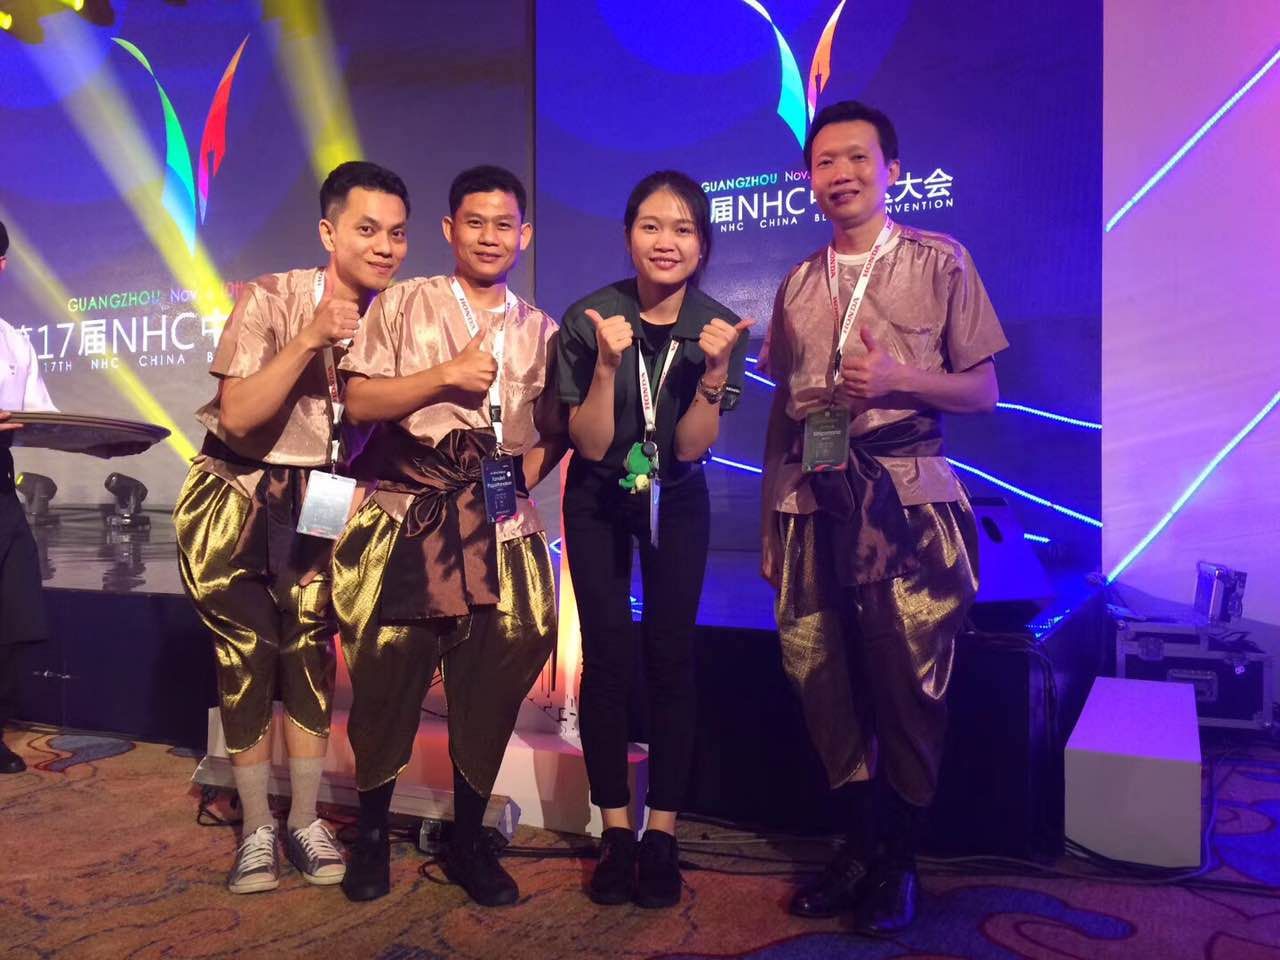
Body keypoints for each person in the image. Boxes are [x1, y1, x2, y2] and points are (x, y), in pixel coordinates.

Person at [759, 100, 1008, 934]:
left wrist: (902, 379)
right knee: (820, 677)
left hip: (906, 502)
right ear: (808, 179)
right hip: (810, 503)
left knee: (909, 683)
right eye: (825, 162)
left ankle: (900, 861)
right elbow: (782, 417)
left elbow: (983, 391)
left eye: (857, 158)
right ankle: (857, 847)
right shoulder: (797, 283)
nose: (841, 175)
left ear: (891, 169)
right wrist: (768, 523)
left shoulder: (941, 260)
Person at [173, 161, 410, 894]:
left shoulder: (398, 318)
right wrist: (310, 337)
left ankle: (304, 820)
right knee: (248, 653)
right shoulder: (272, 296)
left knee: (309, 648)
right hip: (238, 495)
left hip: (324, 495)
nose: (384, 247)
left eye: (397, 234)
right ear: (328, 233)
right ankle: (255, 828)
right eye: (367, 229)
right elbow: (240, 418)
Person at [333, 165, 564, 906]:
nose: (489, 236)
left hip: (501, 531)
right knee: (385, 681)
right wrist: (443, 378)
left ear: (524, 236)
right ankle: (371, 837)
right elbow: (357, 400)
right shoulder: (403, 303)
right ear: (449, 229)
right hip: (408, 519)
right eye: (475, 222)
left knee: (489, 690)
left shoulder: (544, 331)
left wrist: (516, 479)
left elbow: (555, 432)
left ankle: (468, 843)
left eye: (504, 224)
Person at [556, 171, 751, 908]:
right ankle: (615, 831)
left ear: (702, 245)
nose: (666, 241)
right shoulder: (589, 319)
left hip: (678, 496)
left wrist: (715, 374)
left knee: (672, 655)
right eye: (651, 226)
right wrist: (608, 366)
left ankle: (662, 833)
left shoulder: (718, 327)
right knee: (606, 658)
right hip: (598, 497)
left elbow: (693, 447)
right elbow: (589, 441)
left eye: (683, 229)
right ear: (628, 235)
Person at [0, 219, 58, 774]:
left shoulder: (14, 340)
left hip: (0, 486)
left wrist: (105, 440)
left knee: (14, 609)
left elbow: (43, 416)